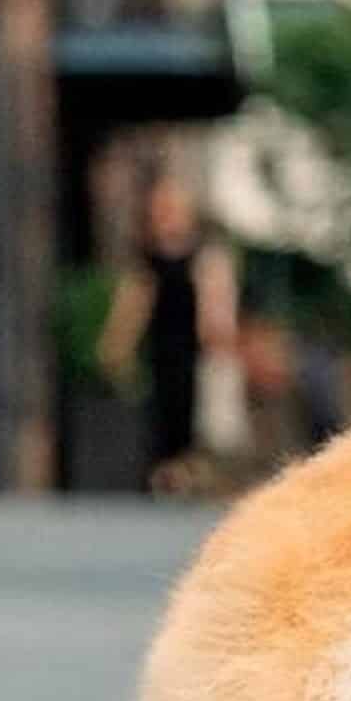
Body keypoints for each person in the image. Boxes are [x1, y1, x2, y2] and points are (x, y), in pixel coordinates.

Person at [99, 176, 239, 492]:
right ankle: (167, 474)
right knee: (160, 410)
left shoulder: (204, 254)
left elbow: (216, 298)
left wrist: (219, 333)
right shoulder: (148, 258)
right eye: (161, 209)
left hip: (194, 349)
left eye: (172, 209)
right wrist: (117, 343)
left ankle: (186, 470)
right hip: (160, 348)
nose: (166, 216)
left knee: (190, 410)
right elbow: (133, 302)